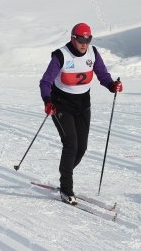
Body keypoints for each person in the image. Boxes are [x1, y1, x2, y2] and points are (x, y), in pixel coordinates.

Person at [39, 23, 123, 205]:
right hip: (60, 105)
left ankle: (65, 173)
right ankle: (66, 188)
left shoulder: (93, 53)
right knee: (71, 144)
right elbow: (45, 82)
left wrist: (111, 85)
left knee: (82, 147)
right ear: (73, 38)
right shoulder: (61, 55)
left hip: (83, 105)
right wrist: (47, 101)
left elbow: (102, 74)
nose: (85, 44)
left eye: (88, 39)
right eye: (81, 40)